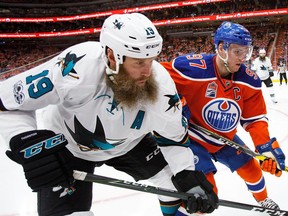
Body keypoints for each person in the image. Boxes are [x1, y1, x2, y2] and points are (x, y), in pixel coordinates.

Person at [0, 13, 218, 216]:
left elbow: (172, 138)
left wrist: (185, 171)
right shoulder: (75, 66)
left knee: (176, 187)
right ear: (112, 56)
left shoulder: (161, 86)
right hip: (67, 147)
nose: (148, 72)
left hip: (129, 144)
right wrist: (22, 138)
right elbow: (6, 101)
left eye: (151, 60)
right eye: (139, 62)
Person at [161, 21, 286, 210]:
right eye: (238, 52)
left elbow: (255, 120)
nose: (243, 58)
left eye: (247, 51)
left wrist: (264, 146)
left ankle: (263, 200)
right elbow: (153, 78)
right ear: (221, 48)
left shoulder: (249, 80)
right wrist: (169, 102)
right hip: (193, 140)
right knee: (205, 196)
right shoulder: (192, 69)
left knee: (252, 171)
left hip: (224, 138)